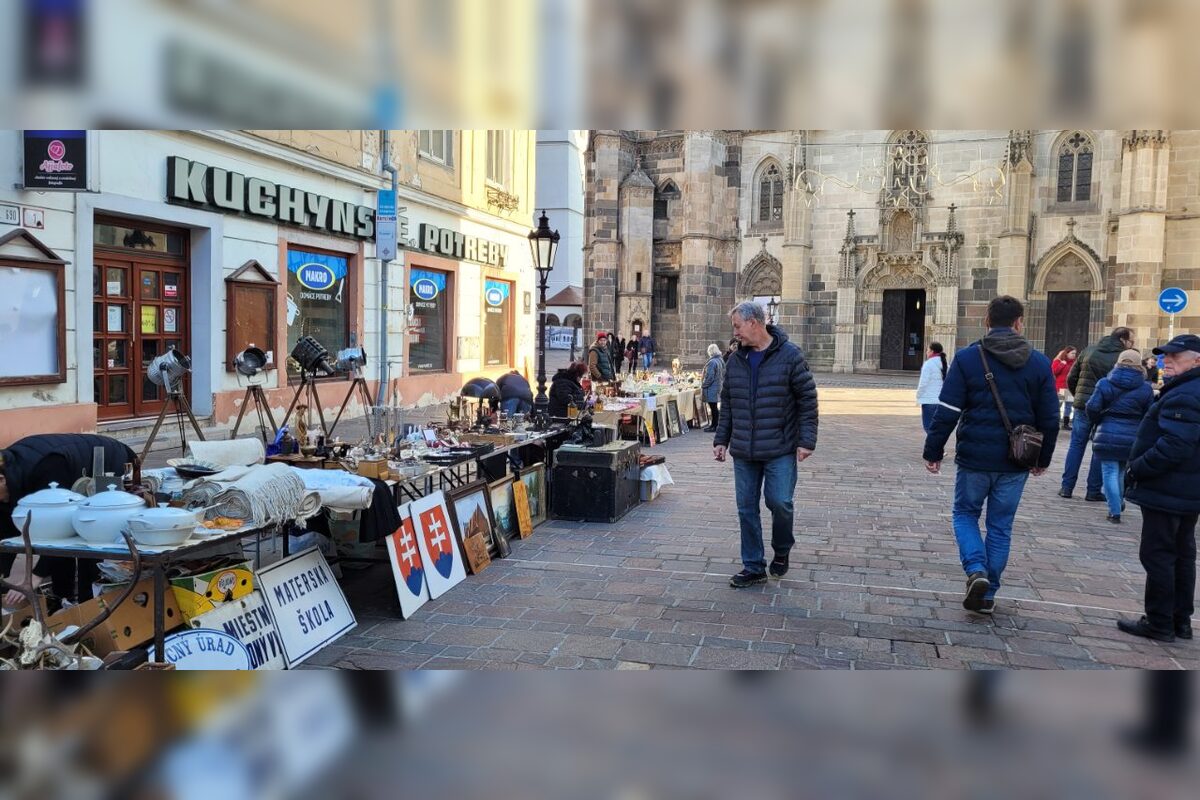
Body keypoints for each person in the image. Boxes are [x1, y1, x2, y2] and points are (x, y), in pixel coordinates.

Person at [923, 296, 1060, 616]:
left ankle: (976, 570)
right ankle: (987, 594)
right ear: (1019, 323)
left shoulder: (968, 358)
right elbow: (1050, 418)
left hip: (974, 457)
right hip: (1017, 459)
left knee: (965, 514)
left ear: (987, 320)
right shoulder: (1039, 362)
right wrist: (1043, 458)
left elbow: (948, 410)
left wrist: (933, 450)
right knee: (1000, 526)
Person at [713, 302, 818, 588]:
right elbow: (728, 404)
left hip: (779, 447)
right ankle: (753, 566)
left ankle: (781, 550)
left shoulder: (790, 355)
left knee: (780, 502)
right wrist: (721, 439)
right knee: (746, 509)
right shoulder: (735, 361)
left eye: (737, 326)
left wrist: (807, 440)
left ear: (754, 323)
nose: (735, 333)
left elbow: (807, 400)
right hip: (744, 449)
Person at [1117, 333, 1200, 643]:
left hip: (1169, 487)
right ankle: (1180, 621)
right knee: (1181, 553)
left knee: (1159, 554)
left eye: (1175, 357)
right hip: (1186, 487)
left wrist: (1137, 467)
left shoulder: (1186, 394)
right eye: (1166, 356)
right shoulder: (1187, 388)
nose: (1167, 361)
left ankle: (1160, 621)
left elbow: (1175, 445)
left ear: (1197, 361)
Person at [1, 434, 138, 606]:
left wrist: (36, 575)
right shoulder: (10, 470)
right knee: (64, 542)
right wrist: (2, 574)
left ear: (1, 479)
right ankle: (62, 603)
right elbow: (5, 526)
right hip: (72, 468)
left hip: (112, 459)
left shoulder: (48, 468)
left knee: (90, 532)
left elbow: (62, 528)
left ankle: (88, 605)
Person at [1061, 327, 1137, 501]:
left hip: (1083, 406)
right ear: (1123, 340)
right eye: (1131, 341)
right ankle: (1093, 490)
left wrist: (1079, 396)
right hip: (1106, 408)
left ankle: (1066, 487)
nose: (1132, 344)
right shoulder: (1121, 356)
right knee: (1099, 448)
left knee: (1076, 445)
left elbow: (1072, 377)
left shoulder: (1088, 351)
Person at [1086, 349, 1153, 523]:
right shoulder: (1146, 388)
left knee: (1109, 471)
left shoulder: (1104, 383)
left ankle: (1114, 510)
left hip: (1107, 431)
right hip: (1132, 434)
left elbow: (1092, 407)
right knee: (1121, 470)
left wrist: (1098, 420)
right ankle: (1118, 501)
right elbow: (1149, 414)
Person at [916, 342, 948, 434]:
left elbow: (923, 383)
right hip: (941, 401)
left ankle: (932, 443)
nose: (926, 352)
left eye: (927, 350)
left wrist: (918, 395)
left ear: (932, 351)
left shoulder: (928, 364)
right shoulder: (946, 364)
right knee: (938, 428)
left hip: (929, 401)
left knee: (928, 427)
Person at [1051, 346, 1078, 430]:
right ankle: (1054, 422)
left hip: (1069, 388)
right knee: (1057, 406)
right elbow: (1054, 372)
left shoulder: (1075, 363)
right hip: (1061, 388)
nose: (1074, 355)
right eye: (1072, 353)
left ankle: (1065, 424)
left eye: (1075, 353)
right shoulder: (1058, 361)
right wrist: (1062, 364)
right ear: (1067, 353)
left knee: (1068, 407)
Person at [701, 343, 725, 433]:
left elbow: (709, 377)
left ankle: (714, 426)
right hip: (718, 386)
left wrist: (703, 385)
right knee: (714, 407)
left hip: (712, 388)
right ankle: (715, 425)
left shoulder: (712, 362)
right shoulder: (720, 360)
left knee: (713, 408)